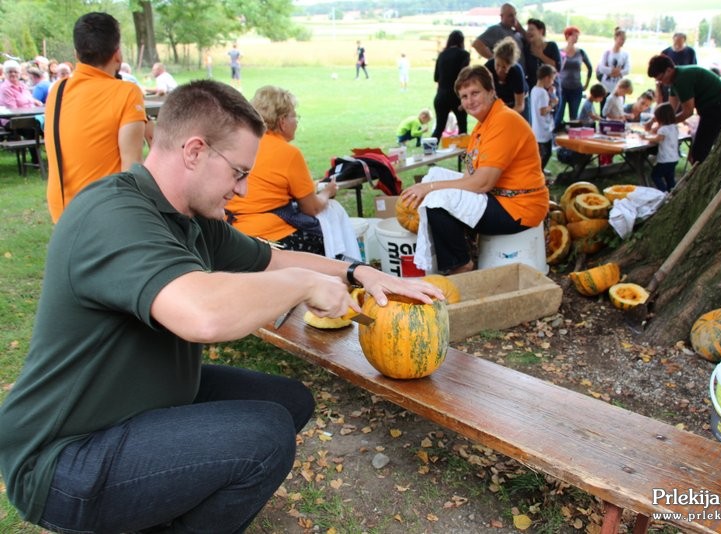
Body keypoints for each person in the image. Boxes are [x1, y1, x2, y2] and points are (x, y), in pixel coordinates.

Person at [0, 79, 443, 534]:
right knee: (266, 435)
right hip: (63, 460)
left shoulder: (188, 216)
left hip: (135, 405)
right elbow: (203, 315)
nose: (244, 191)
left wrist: (359, 273)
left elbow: (275, 257)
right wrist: (302, 285)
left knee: (288, 402)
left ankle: (155, 505)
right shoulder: (112, 215)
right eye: (238, 172)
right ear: (194, 151)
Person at [399, 65, 548, 275]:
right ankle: (457, 252)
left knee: (436, 201)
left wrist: (430, 188)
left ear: (490, 91)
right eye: (464, 96)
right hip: (499, 198)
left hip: (520, 208)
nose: (470, 101)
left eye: (475, 93)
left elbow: (482, 183)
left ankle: (460, 265)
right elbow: (471, 176)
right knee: (434, 176)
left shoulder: (504, 121)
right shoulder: (482, 125)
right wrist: (431, 184)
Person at [224, 85, 355, 257]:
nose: (297, 121)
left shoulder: (237, 143)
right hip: (271, 237)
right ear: (282, 121)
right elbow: (312, 208)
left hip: (231, 233)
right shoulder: (288, 153)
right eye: (295, 115)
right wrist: (327, 193)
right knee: (329, 236)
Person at [44, 12, 147, 223]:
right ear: (118, 54)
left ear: (76, 53)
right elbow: (132, 167)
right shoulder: (127, 92)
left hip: (64, 212)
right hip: (106, 212)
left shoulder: (58, 90)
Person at [646, 54, 721, 164]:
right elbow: (669, 109)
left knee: (700, 150)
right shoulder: (675, 80)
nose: (661, 83)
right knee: (698, 149)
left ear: (669, 70)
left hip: (720, 105)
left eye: (660, 78)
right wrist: (653, 121)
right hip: (714, 105)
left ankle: (700, 172)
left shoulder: (682, 79)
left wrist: (664, 124)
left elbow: (687, 112)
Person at [432, 30, 470, 140]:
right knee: (462, 130)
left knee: (439, 128)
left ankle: (429, 152)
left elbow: (436, 77)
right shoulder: (464, 55)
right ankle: (463, 158)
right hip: (457, 96)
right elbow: (464, 76)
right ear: (462, 41)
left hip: (441, 96)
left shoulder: (441, 55)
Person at [523, 19, 560, 129]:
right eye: (527, 29)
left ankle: (548, 142)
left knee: (550, 119)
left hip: (550, 88)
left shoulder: (551, 46)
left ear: (541, 31)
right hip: (534, 90)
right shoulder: (526, 49)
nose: (529, 32)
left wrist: (540, 55)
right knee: (534, 120)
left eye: (532, 29)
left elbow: (557, 67)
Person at [557, 26, 593, 130]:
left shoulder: (580, 52)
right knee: (559, 113)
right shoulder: (560, 52)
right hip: (562, 87)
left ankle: (573, 136)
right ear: (568, 36)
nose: (576, 38)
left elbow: (590, 68)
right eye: (574, 36)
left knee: (574, 115)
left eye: (577, 36)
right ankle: (557, 136)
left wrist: (586, 84)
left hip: (576, 88)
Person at [485, 36, 526, 117]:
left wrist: (506, 116)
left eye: (504, 67)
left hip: (517, 101)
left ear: (510, 66)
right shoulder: (488, 67)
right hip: (499, 100)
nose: (500, 70)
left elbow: (520, 105)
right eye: (497, 65)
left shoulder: (516, 72)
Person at [647, 102, 680, 192]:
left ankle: (663, 191)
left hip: (665, 159)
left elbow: (658, 139)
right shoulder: (674, 127)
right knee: (669, 177)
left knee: (655, 175)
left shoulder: (663, 129)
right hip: (674, 158)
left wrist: (646, 137)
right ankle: (672, 191)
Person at [531, 64, 558, 170]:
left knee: (540, 154)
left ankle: (539, 171)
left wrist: (552, 95)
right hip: (543, 130)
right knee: (546, 153)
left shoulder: (534, 90)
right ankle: (539, 172)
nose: (552, 82)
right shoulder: (542, 93)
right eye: (552, 80)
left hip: (537, 129)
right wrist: (553, 104)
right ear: (547, 78)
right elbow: (542, 111)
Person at [658, 32, 697, 102]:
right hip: (667, 85)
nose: (677, 45)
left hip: (684, 85)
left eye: (680, 43)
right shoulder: (665, 52)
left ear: (684, 41)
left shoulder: (690, 52)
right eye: (676, 42)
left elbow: (694, 68)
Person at [597, 28, 630, 109]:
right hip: (606, 87)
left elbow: (627, 70)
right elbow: (601, 68)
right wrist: (612, 71)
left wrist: (618, 72)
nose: (623, 41)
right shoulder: (607, 53)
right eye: (621, 39)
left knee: (618, 111)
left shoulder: (625, 54)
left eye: (624, 39)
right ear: (615, 38)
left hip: (619, 88)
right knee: (604, 111)